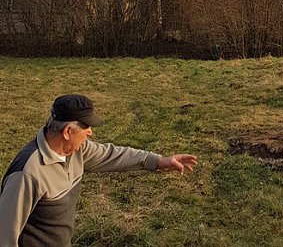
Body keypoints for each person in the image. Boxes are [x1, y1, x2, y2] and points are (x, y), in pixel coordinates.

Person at [0, 94, 197, 246]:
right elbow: (4, 237)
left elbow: (113, 155)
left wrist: (159, 161)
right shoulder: (27, 174)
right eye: (86, 127)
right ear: (67, 132)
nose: (90, 132)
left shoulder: (77, 151)